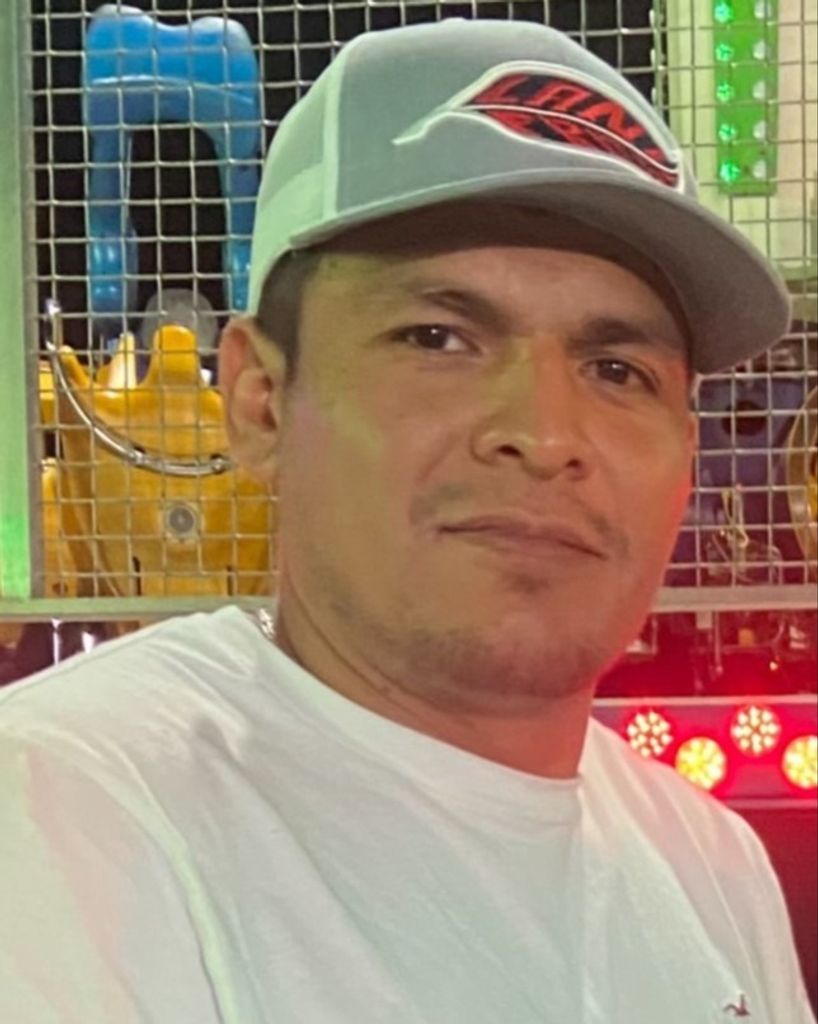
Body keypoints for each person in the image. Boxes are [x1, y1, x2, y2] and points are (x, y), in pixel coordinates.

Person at [0, 18, 814, 1024]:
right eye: (438, 337)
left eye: (616, 369)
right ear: (260, 402)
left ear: (685, 448)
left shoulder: (708, 863)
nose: (544, 433)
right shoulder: (70, 816)